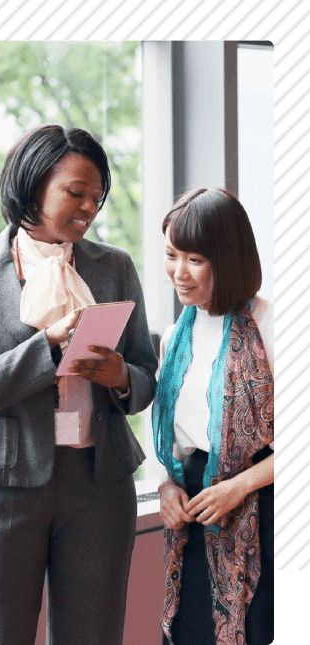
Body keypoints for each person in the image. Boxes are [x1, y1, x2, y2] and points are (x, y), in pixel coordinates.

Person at [0, 124, 158, 645]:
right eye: (75, 193)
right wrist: (49, 347)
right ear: (33, 184)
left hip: (99, 485)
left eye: (97, 197)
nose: (89, 208)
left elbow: (148, 377)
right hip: (5, 488)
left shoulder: (115, 267)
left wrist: (121, 377)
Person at [152, 188, 273, 645]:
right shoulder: (174, 335)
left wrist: (238, 487)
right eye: (170, 255)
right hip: (199, 509)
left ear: (227, 258)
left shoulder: (272, 324)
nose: (178, 273)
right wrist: (166, 485)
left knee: (273, 627)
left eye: (195, 259)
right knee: (192, 630)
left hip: (268, 501)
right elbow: (174, 441)